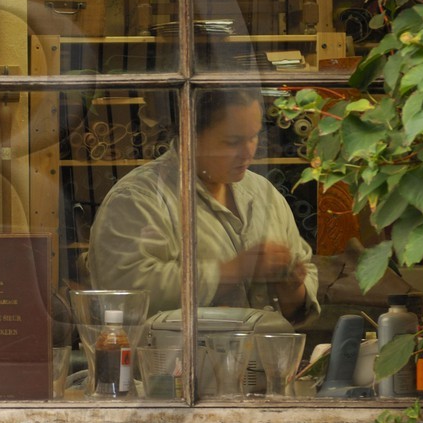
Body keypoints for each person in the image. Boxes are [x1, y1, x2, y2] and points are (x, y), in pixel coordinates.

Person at [88, 88, 318, 324]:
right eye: (232, 141)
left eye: (254, 136)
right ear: (190, 136)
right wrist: (231, 271)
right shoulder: (137, 200)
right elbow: (125, 293)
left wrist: (292, 290)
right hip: (176, 360)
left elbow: (302, 285)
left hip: (263, 358)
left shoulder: (264, 193)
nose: (248, 152)